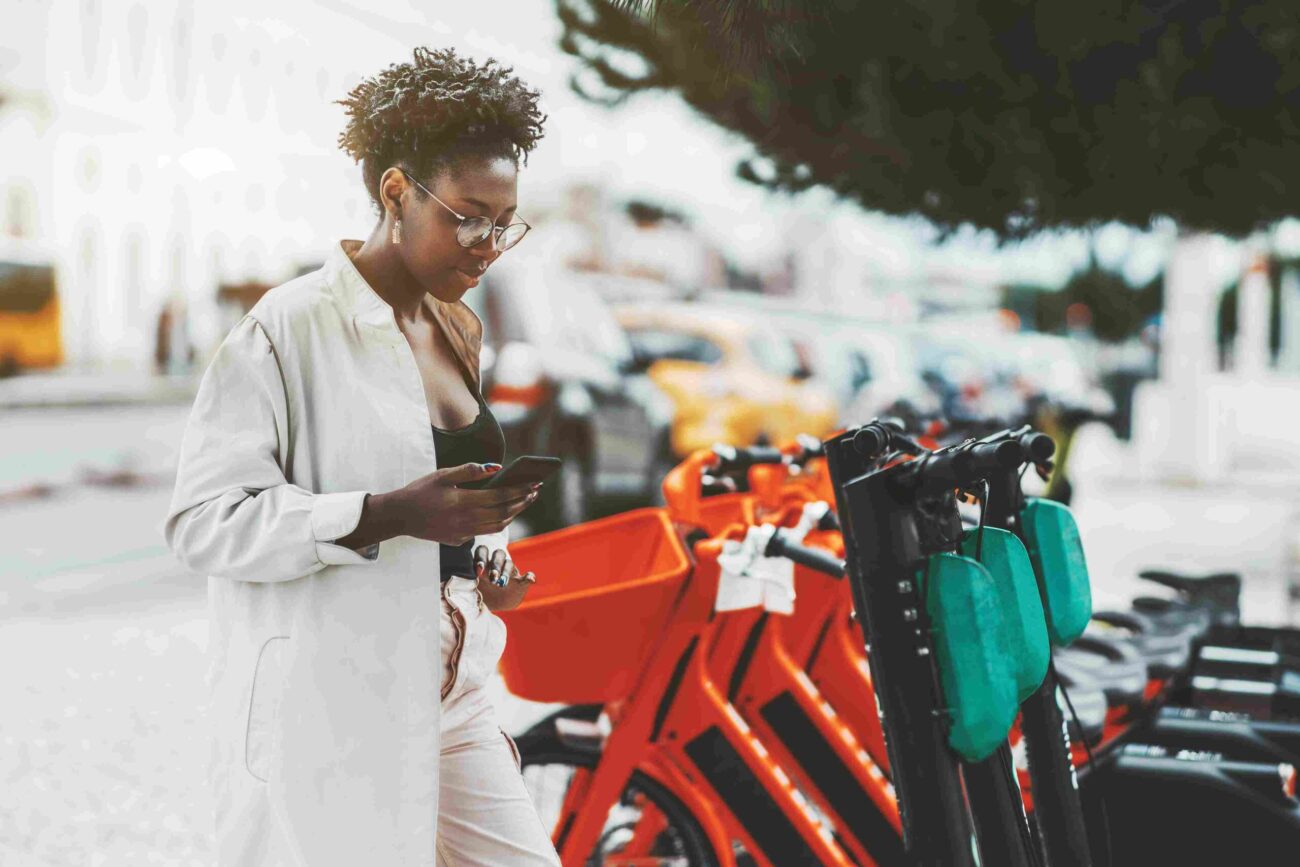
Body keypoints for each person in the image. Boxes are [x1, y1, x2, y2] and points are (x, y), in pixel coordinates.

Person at [163, 46, 560, 865]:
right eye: (468, 215)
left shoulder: (456, 328)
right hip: (337, 691)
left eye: (504, 220)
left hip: (458, 687)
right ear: (395, 192)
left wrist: (486, 560)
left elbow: (450, 497)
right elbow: (202, 522)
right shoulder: (287, 328)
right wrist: (388, 513)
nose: (489, 243)